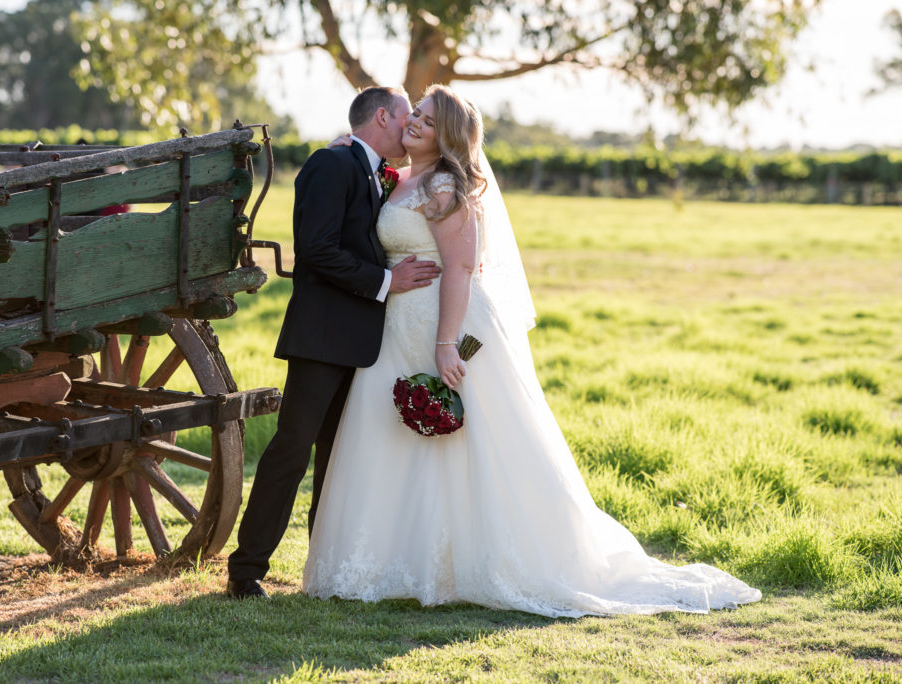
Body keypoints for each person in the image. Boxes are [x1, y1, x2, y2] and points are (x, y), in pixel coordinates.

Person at [302, 85, 762, 617]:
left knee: (464, 440)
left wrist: (446, 343)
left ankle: (469, 563)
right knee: (391, 431)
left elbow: (459, 269)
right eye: (415, 117)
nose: (413, 125)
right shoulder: (398, 178)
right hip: (396, 326)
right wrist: (348, 146)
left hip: (440, 323)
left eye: (424, 121)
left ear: (446, 135)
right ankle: (389, 561)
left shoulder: (449, 186)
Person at [226, 86, 442, 599]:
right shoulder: (332, 164)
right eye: (407, 117)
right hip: (322, 336)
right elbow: (318, 251)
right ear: (383, 116)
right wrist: (387, 282)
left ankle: (324, 565)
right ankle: (247, 568)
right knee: (292, 448)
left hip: (364, 340)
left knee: (337, 455)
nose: (411, 128)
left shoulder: (371, 169)